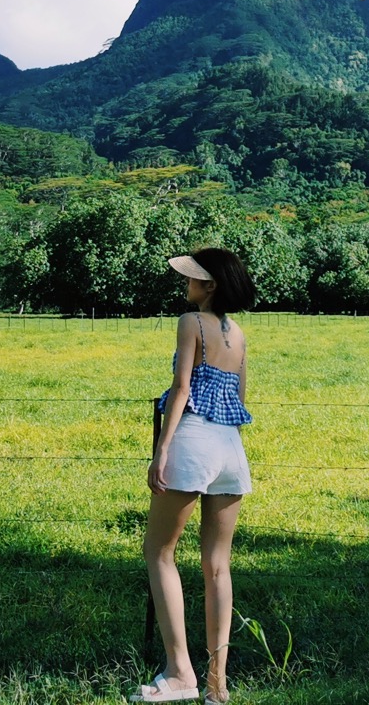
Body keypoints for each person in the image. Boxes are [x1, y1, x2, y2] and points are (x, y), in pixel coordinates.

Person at [137, 248, 256, 704]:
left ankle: (180, 671)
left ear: (210, 286)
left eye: (193, 279)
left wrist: (162, 449)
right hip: (231, 448)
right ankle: (217, 685)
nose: (186, 285)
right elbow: (241, 397)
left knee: (160, 552)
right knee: (218, 566)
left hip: (194, 439)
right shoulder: (240, 335)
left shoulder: (192, 323)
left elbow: (183, 388)